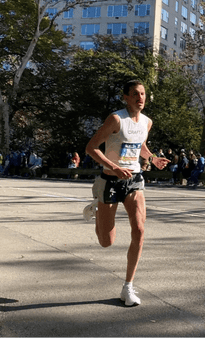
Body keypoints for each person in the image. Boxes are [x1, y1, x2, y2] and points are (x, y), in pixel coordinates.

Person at [84, 80, 169, 307]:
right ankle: (98, 208)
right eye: (135, 94)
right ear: (126, 97)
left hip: (134, 180)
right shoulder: (116, 119)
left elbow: (139, 144)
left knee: (139, 231)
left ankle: (128, 286)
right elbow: (91, 147)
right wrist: (112, 167)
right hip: (111, 179)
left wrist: (152, 158)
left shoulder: (147, 122)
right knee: (106, 241)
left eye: (143, 94)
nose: (141, 98)